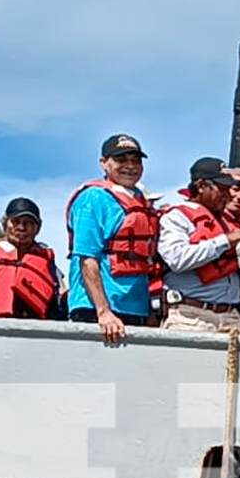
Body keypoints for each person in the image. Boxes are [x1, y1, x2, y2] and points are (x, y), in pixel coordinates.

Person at [66, 134, 160, 342]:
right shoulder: (93, 198)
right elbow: (87, 258)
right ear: (104, 163)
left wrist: (150, 312)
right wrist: (103, 312)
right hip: (97, 310)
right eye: (121, 160)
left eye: (135, 160)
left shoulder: (141, 201)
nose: (130, 166)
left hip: (136, 308)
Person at [156, 158, 240, 333]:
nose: (228, 194)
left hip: (230, 316)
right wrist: (225, 241)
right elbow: (177, 259)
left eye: (228, 189)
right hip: (190, 316)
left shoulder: (226, 223)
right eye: (221, 188)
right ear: (201, 186)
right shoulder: (177, 216)